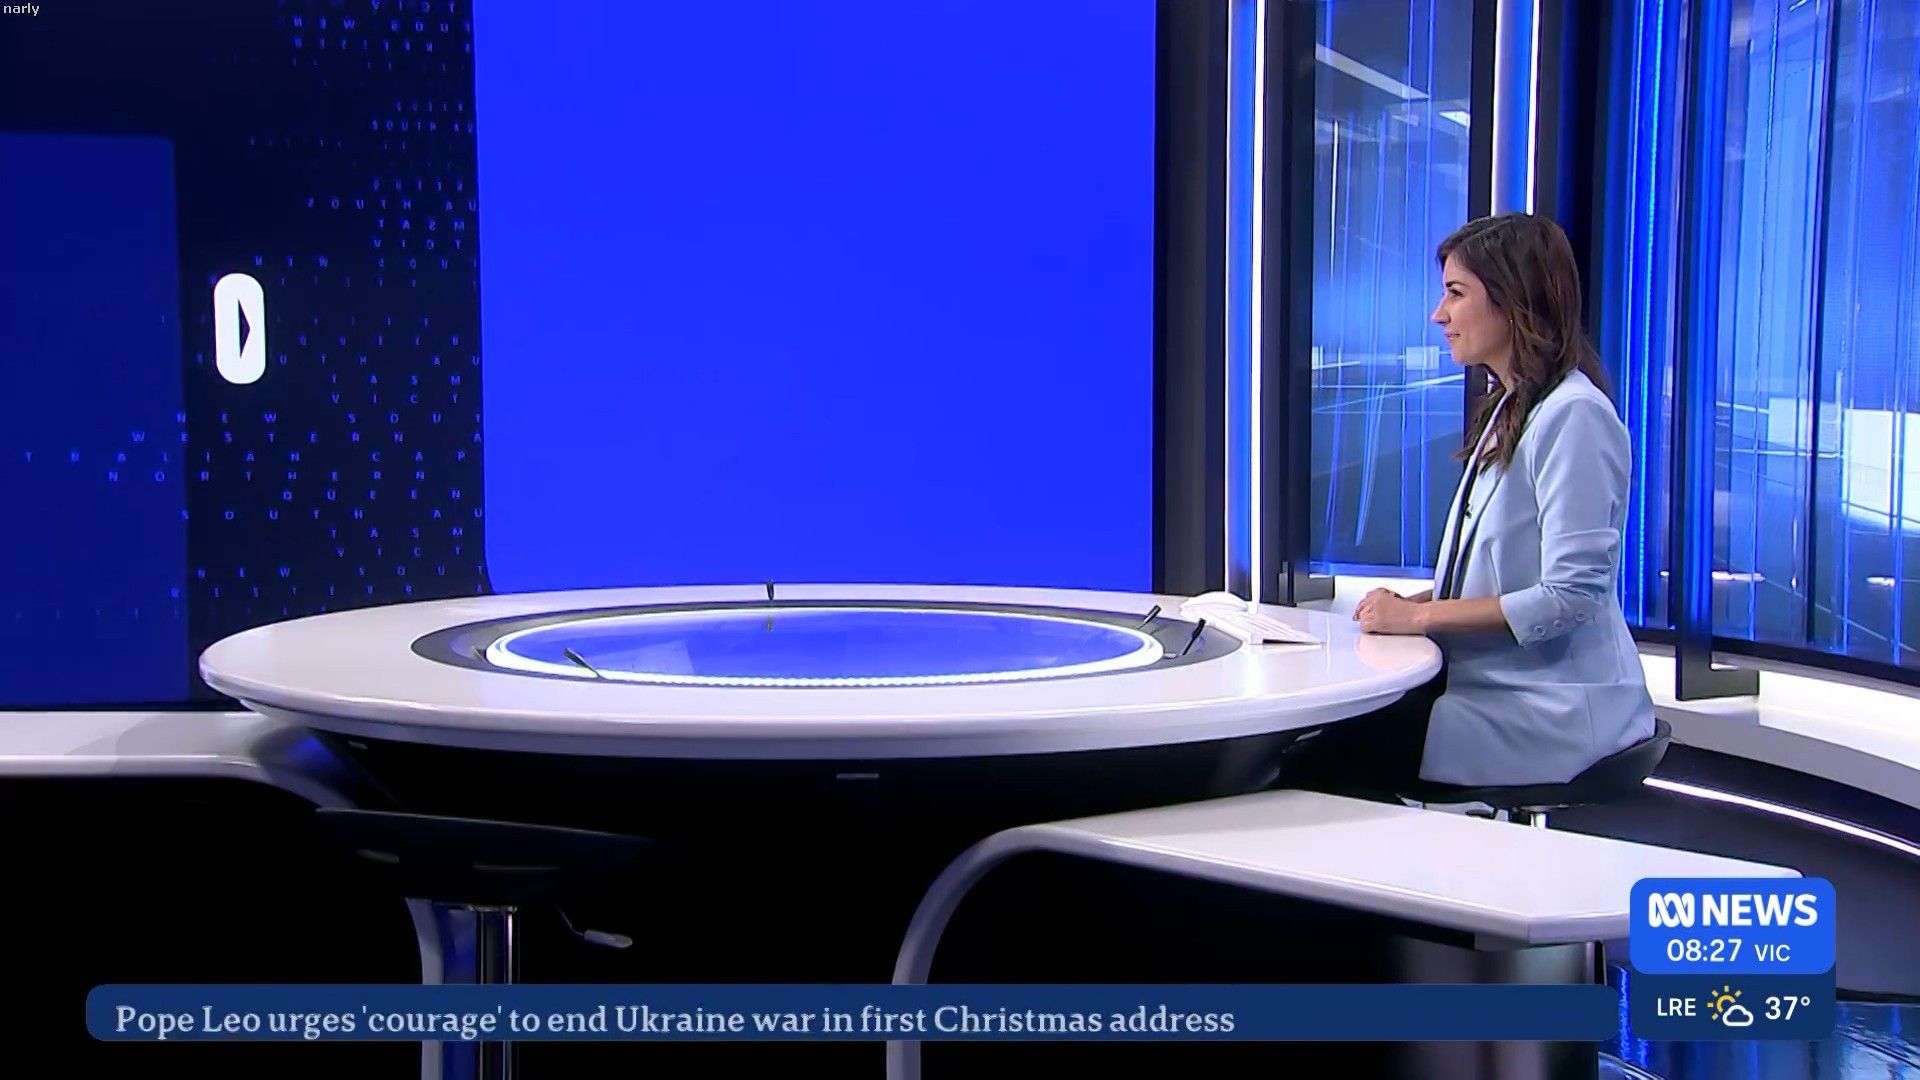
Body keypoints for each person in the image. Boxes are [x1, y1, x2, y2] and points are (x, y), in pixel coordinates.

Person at [1284, 212, 1655, 799]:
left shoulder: (1575, 416)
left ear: (1513, 300)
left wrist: (1419, 619)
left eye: (1456, 294)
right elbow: (1501, 576)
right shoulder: (1512, 406)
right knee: (1309, 744)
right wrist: (1412, 604)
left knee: (1313, 768)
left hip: (1551, 710)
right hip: (1487, 691)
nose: (1439, 315)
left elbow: (1571, 596)